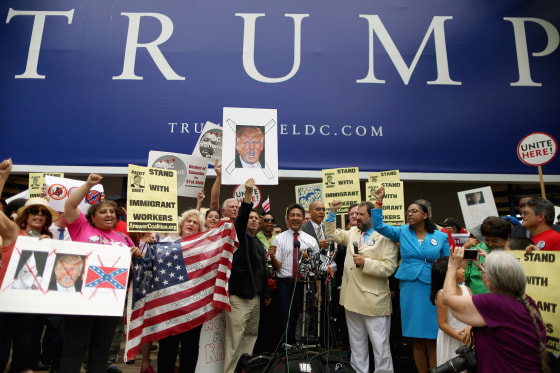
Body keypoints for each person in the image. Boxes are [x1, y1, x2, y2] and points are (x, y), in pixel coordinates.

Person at [61, 173, 140, 373]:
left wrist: (136, 254)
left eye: (112, 212)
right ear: (92, 217)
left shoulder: (123, 237)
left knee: (101, 349)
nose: (109, 214)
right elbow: (70, 206)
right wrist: (88, 185)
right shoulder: (81, 228)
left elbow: (132, 267)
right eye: (103, 211)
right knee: (74, 349)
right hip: (82, 299)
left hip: (110, 301)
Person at [372, 186, 450, 373]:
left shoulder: (440, 236)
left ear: (426, 215)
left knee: (433, 337)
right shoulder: (402, 232)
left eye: (414, 211)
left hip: (432, 287)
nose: (410, 214)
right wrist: (379, 202)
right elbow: (379, 226)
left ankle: (436, 370)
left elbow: (447, 262)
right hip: (410, 286)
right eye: (408, 211)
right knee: (416, 337)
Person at [442, 248, 547, 373]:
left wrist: (453, 267)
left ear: (489, 281)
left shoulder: (494, 304)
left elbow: (447, 299)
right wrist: (492, 264)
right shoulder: (526, 300)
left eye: (482, 269)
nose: (480, 270)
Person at [325, 200, 398, 373]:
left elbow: (389, 267)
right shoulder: (352, 232)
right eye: (356, 214)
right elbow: (331, 234)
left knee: (380, 346)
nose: (357, 218)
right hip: (351, 300)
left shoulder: (385, 236)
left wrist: (366, 262)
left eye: (361, 215)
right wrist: (332, 212)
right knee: (357, 345)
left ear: (373, 216)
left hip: (373, 301)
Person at [0, 158, 58, 373]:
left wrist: (49, 249)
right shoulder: (13, 233)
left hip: (30, 302)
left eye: (43, 213)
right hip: (4, 301)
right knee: (1, 351)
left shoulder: (50, 241)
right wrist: (3, 177)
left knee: (25, 354)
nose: (39, 215)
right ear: (26, 215)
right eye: (35, 211)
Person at [223, 180, 270, 373]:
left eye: (256, 218)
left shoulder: (257, 242)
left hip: (255, 297)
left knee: (250, 338)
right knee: (234, 344)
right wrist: (248, 194)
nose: (253, 220)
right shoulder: (237, 233)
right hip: (239, 297)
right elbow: (241, 218)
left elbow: (261, 271)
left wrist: (265, 293)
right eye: (249, 217)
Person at [157, 209, 205, 373]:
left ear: (200, 228)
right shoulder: (166, 243)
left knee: (190, 349)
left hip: (193, 307)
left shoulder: (204, 247)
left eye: (195, 223)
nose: (191, 224)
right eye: (188, 221)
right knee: (167, 348)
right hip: (169, 306)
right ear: (181, 224)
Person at [269, 203, 320, 344]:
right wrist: (272, 257)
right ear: (287, 219)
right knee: (285, 322)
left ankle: (302, 353)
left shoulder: (311, 241)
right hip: (285, 286)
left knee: (305, 321)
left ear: (304, 219)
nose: (295, 218)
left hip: (305, 285)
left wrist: (317, 291)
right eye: (292, 215)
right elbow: (277, 267)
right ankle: (284, 354)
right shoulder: (279, 239)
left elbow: (316, 267)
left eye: (299, 215)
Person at [430, 256, 471, 367]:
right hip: (451, 338)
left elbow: (474, 313)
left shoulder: (466, 290)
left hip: (468, 337)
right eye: (458, 268)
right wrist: (460, 337)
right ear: (448, 273)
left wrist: (470, 327)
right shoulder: (442, 295)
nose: (463, 270)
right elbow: (442, 323)